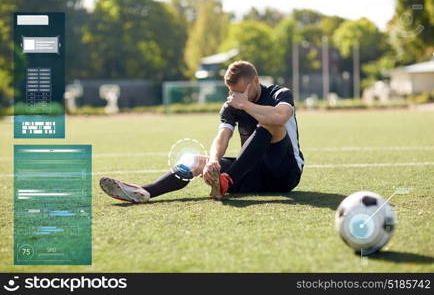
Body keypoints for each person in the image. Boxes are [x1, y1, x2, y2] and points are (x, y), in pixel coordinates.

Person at [100, 60, 304, 203]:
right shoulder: (231, 104)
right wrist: (214, 161)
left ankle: (227, 180)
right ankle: (144, 192)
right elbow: (222, 136)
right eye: (232, 92)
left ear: (256, 81)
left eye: (241, 92)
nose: (235, 96)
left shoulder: (279, 93)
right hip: (251, 175)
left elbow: (280, 117)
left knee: (270, 123)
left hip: (284, 175)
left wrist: (245, 105)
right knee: (197, 160)